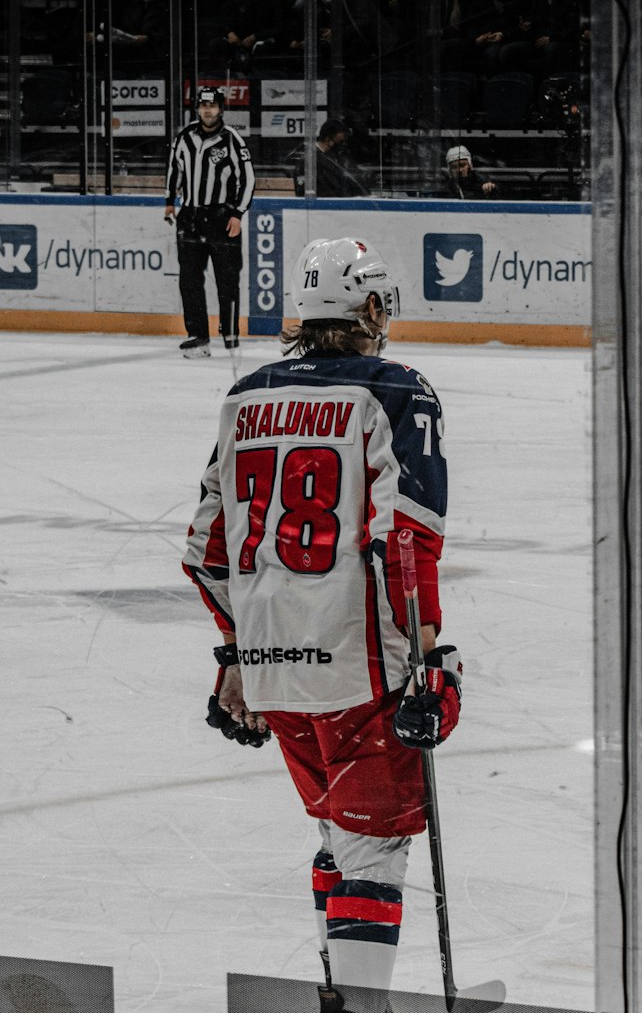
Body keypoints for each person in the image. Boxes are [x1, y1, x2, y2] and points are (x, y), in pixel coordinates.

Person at [183, 236, 461, 1013]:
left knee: (341, 832)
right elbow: (407, 535)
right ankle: (360, 1011)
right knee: (372, 844)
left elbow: (207, 547)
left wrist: (237, 654)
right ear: (371, 307)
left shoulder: (245, 396)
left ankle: (339, 997)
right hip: (359, 658)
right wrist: (428, 655)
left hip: (274, 666)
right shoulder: (397, 390)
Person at [164, 86, 255, 357]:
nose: (207, 110)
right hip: (190, 216)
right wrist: (169, 201)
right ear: (197, 108)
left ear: (221, 109)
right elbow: (174, 169)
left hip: (221, 217)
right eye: (203, 105)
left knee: (227, 278)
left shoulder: (232, 140)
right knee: (189, 279)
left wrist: (237, 213)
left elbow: (247, 180)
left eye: (212, 106)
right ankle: (197, 335)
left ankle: (229, 332)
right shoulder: (184, 137)